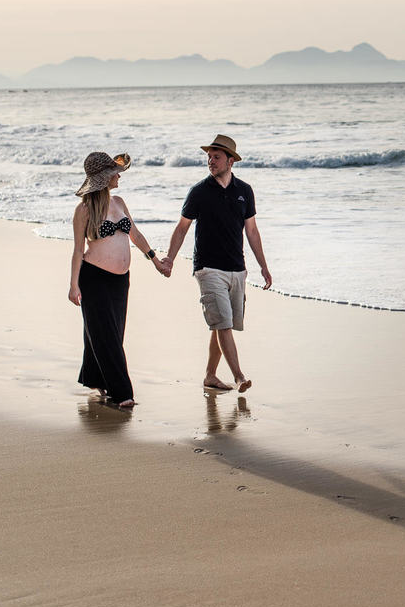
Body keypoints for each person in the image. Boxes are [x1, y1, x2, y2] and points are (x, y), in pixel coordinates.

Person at [163, 134, 271, 393]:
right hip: (208, 268)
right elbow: (182, 227)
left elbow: (252, 231)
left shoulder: (244, 191)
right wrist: (170, 259)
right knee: (223, 324)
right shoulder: (199, 192)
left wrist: (263, 266)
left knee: (222, 324)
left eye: (216, 157)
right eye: (209, 157)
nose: (211, 161)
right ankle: (239, 377)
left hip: (237, 268)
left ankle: (210, 375)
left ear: (230, 161)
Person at [68, 151, 169, 408]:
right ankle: (122, 393)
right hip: (94, 278)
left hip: (120, 280)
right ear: (104, 178)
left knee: (110, 332)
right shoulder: (84, 210)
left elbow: (135, 235)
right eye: (115, 173)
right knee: (106, 336)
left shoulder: (120, 203)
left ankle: (94, 378)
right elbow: (78, 250)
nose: (119, 177)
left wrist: (155, 260)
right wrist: (73, 285)